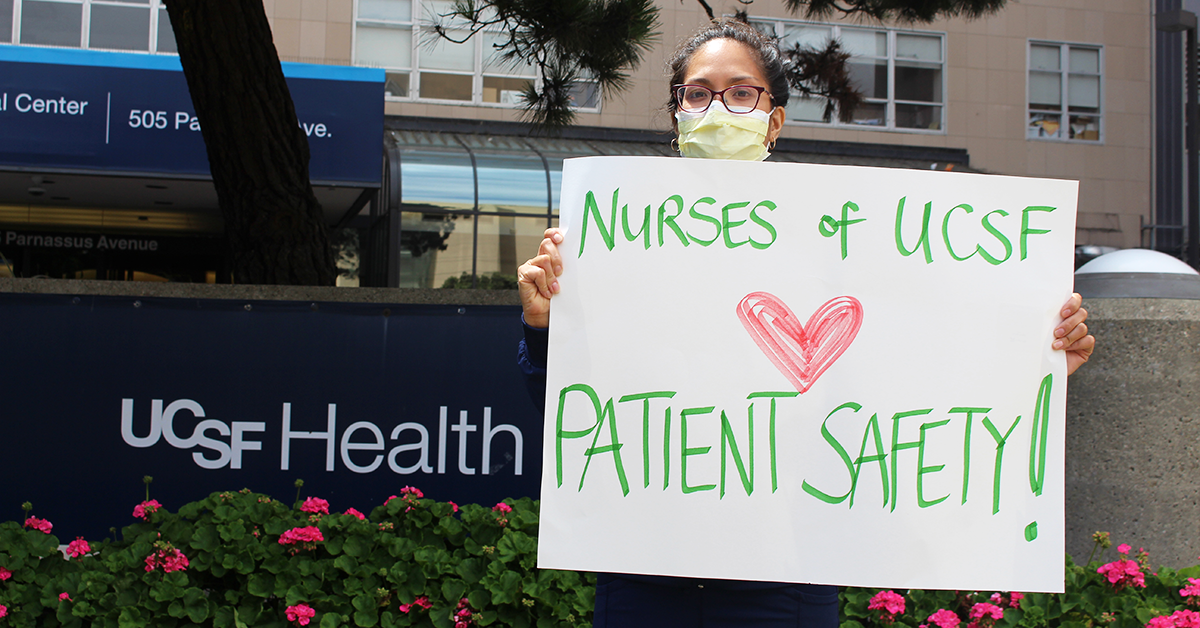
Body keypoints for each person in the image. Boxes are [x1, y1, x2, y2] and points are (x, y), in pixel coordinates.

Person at [516, 18, 1095, 628]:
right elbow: (572, 414)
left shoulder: (838, 248)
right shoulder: (614, 241)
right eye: (697, 92)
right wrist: (544, 327)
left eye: (741, 92)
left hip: (784, 582)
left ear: (774, 120)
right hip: (645, 579)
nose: (718, 108)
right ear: (676, 115)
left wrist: (1035, 366)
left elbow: (906, 384)